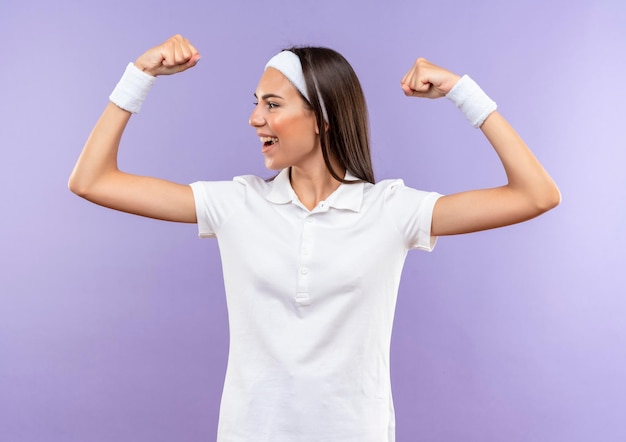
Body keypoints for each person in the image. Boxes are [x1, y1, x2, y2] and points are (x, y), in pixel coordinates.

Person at [69, 34, 560, 442]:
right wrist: (139, 75)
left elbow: (536, 195)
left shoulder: (391, 210)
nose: (254, 118)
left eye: (272, 104)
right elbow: (92, 181)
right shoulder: (237, 204)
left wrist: (461, 91)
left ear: (322, 117)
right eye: (255, 103)